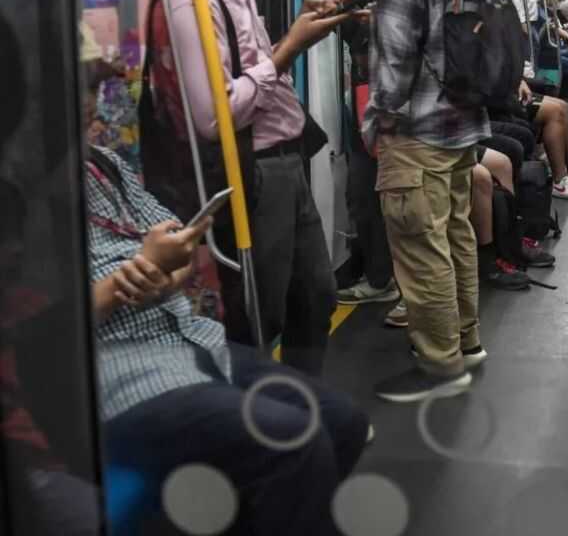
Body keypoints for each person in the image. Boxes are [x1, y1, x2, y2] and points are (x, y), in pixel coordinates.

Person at [84, 132, 367, 534]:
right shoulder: (20, 199)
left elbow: (176, 242)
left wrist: (164, 277)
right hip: (121, 368)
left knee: (344, 421)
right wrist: (125, 282)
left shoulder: (103, 163)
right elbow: (35, 323)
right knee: (292, 441)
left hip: (192, 341)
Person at [158, 0, 349, 376]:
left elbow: (250, 64)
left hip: (284, 163)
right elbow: (213, 115)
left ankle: (303, 404)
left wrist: (292, 29)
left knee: (314, 294)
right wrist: (290, 47)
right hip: (254, 174)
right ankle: (263, 422)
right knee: (256, 315)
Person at [362, 0, 488, 403]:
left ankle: (440, 366)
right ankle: (465, 340)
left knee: (419, 246)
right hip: (460, 124)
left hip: (418, 131)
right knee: (454, 234)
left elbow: (394, 60)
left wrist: (378, 120)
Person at [325, 0, 403, 317]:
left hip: (394, 109)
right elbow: (347, 33)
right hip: (362, 103)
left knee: (394, 196)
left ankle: (396, 281)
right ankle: (380, 276)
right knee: (362, 193)